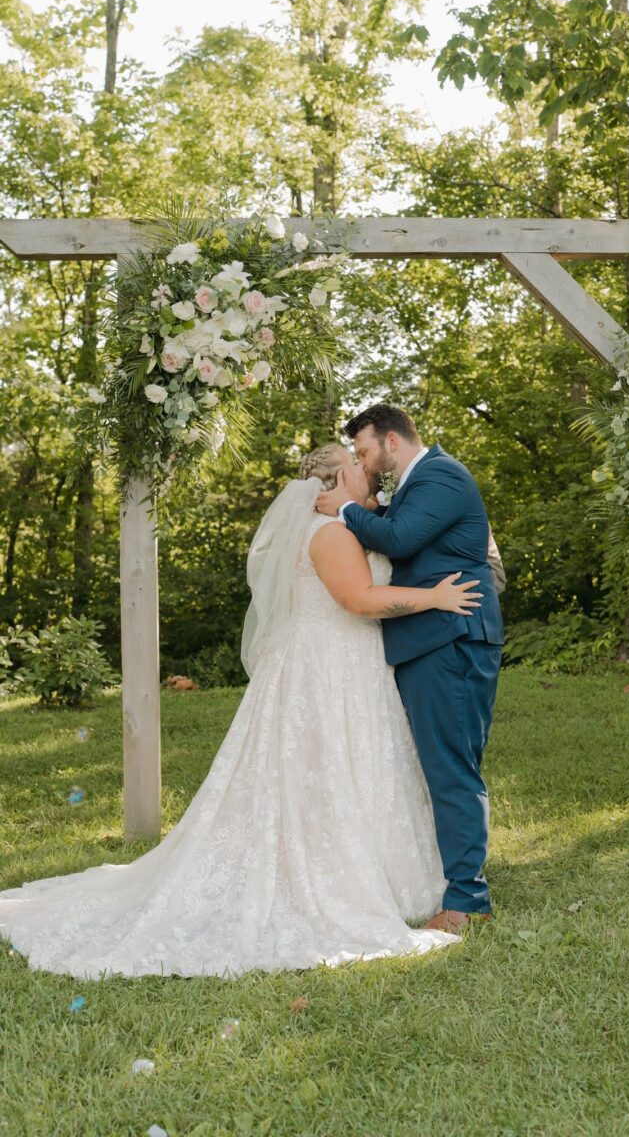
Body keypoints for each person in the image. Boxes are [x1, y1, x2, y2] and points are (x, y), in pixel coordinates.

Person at [0, 445, 481, 979]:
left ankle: (386, 871)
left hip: (351, 664)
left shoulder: (351, 524)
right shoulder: (332, 533)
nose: (368, 471)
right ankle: (327, 878)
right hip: (327, 668)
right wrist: (432, 598)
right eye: (358, 465)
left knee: (347, 769)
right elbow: (357, 601)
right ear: (338, 478)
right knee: (324, 770)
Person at [316, 406, 504, 932]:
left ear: (392, 441)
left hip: (453, 640)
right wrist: (362, 511)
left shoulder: (441, 475)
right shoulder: (417, 483)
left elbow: (397, 540)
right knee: (445, 764)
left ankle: (466, 901)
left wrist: (348, 508)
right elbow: (398, 532)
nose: (363, 461)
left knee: (451, 769)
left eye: (365, 451)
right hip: (430, 641)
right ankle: (460, 876)